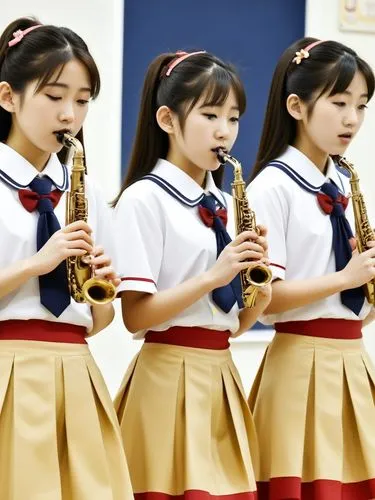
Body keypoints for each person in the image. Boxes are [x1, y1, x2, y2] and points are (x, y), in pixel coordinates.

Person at [113, 50, 272, 500]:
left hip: (221, 375)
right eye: (209, 115)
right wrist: (214, 275)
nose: (225, 131)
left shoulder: (225, 203)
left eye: (233, 117)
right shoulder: (144, 199)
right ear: (167, 119)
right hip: (165, 380)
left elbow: (233, 324)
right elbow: (135, 317)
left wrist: (257, 292)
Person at [0, 16, 133, 499]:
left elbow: (100, 320)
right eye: (54, 97)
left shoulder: (86, 190)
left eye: (82, 101)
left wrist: (100, 289)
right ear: (8, 97)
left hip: (77, 371)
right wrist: (37, 264)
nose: (69, 115)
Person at [247, 37, 375, 500]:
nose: (352, 119)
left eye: (361, 105)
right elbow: (267, 301)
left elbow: (356, 302)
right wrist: (347, 277)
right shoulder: (271, 187)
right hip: (299, 364)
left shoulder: (344, 180)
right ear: (297, 106)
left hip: (353, 361)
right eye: (339, 103)